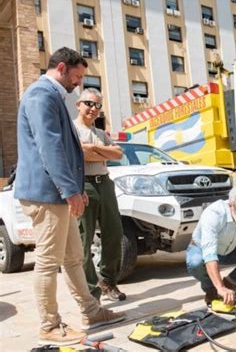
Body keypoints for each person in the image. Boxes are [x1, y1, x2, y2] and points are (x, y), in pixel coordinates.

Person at [15, 47, 125, 346]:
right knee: (49, 262)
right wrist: (70, 190)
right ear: (62, 68)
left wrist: (74, 189)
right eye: (76, 77)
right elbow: (50, 147)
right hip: (46, 194)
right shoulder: (42, 94)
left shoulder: (52, 96)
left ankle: (91, 311)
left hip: (58, 194)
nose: (78, 84)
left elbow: (67, 148)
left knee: (75, 258)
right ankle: (50, 325)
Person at [74, 88, 126, 301]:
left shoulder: (101, 133)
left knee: (114, 234)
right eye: (89, 103)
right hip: (84, 185)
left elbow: (119, 153)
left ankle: (108, 281)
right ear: (79, 104)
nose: (93, 109)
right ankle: (90, 291)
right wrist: (100, 151)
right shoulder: (71, 129)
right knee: (84, 241)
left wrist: (92, 149)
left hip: (105, 184)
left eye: (97, 106)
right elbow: (80, 153)